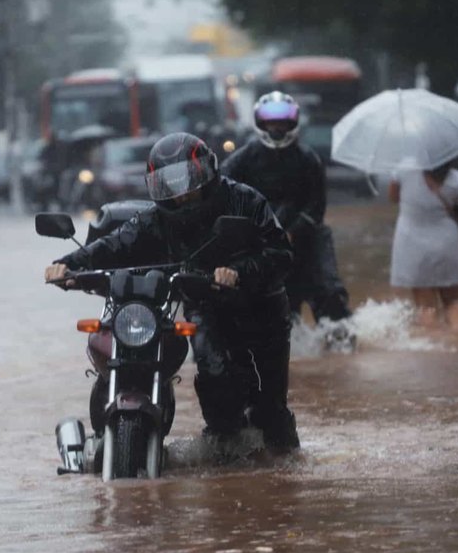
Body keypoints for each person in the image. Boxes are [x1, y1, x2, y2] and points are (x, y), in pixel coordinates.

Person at [44, 132, 301, 452]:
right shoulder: (156, 219)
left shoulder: (245, 200)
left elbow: (281, 254)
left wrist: (239, 272)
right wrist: (68, 265)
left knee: (270, 411)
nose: (181, 195)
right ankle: (223, 452)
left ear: (207, 172)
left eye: (189, 181)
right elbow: (114, 244)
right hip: (205, 304)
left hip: (260, 308)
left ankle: (284, 471)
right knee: (214, 379)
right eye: (169, 185)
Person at [221, 92, 353, 327]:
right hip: (258, 246)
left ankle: (340, 340)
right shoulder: (238, 162)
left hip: (305, 242)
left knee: (331, 296)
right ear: (261, 123)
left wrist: (291, 233)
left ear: (293, 123)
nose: (277, 127)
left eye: (282, 122)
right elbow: (223, 204)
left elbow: (316, 207)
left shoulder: (309, 159)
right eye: (271, 121)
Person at [388, 160, 458, 330]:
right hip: (446, 245)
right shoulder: (454, 178)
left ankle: (435, 348)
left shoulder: (403, 169)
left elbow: (392, 198)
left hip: (413, 246)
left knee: (426, 307)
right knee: (454, 301)